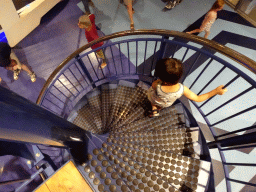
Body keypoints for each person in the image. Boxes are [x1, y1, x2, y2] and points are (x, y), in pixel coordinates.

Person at [147, 58, 227, 117]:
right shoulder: (183, 89)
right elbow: (198, 98)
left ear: (162, 78)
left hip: (154, 98)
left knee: (153, 102)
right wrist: (216, 91)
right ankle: (158, 109)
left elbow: (153, 87)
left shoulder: (157, 84)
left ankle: (154, 108)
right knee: (161, 105)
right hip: (166, 103)